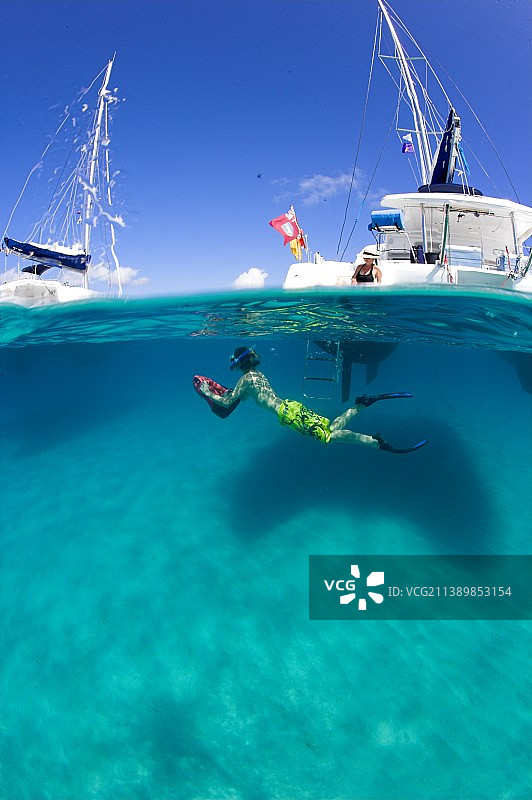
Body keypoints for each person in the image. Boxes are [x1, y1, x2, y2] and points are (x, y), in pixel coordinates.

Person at [198, 346, 427, 454]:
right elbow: (238, 397)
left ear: (238, 364)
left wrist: (207, 392)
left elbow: (228, 403)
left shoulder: (246, 379)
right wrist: (224, 394)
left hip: (288, 415)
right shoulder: (257, 375)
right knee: (329, 427)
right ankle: (362, 404)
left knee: (327, 437)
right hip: (292, 408)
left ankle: (376, 442)